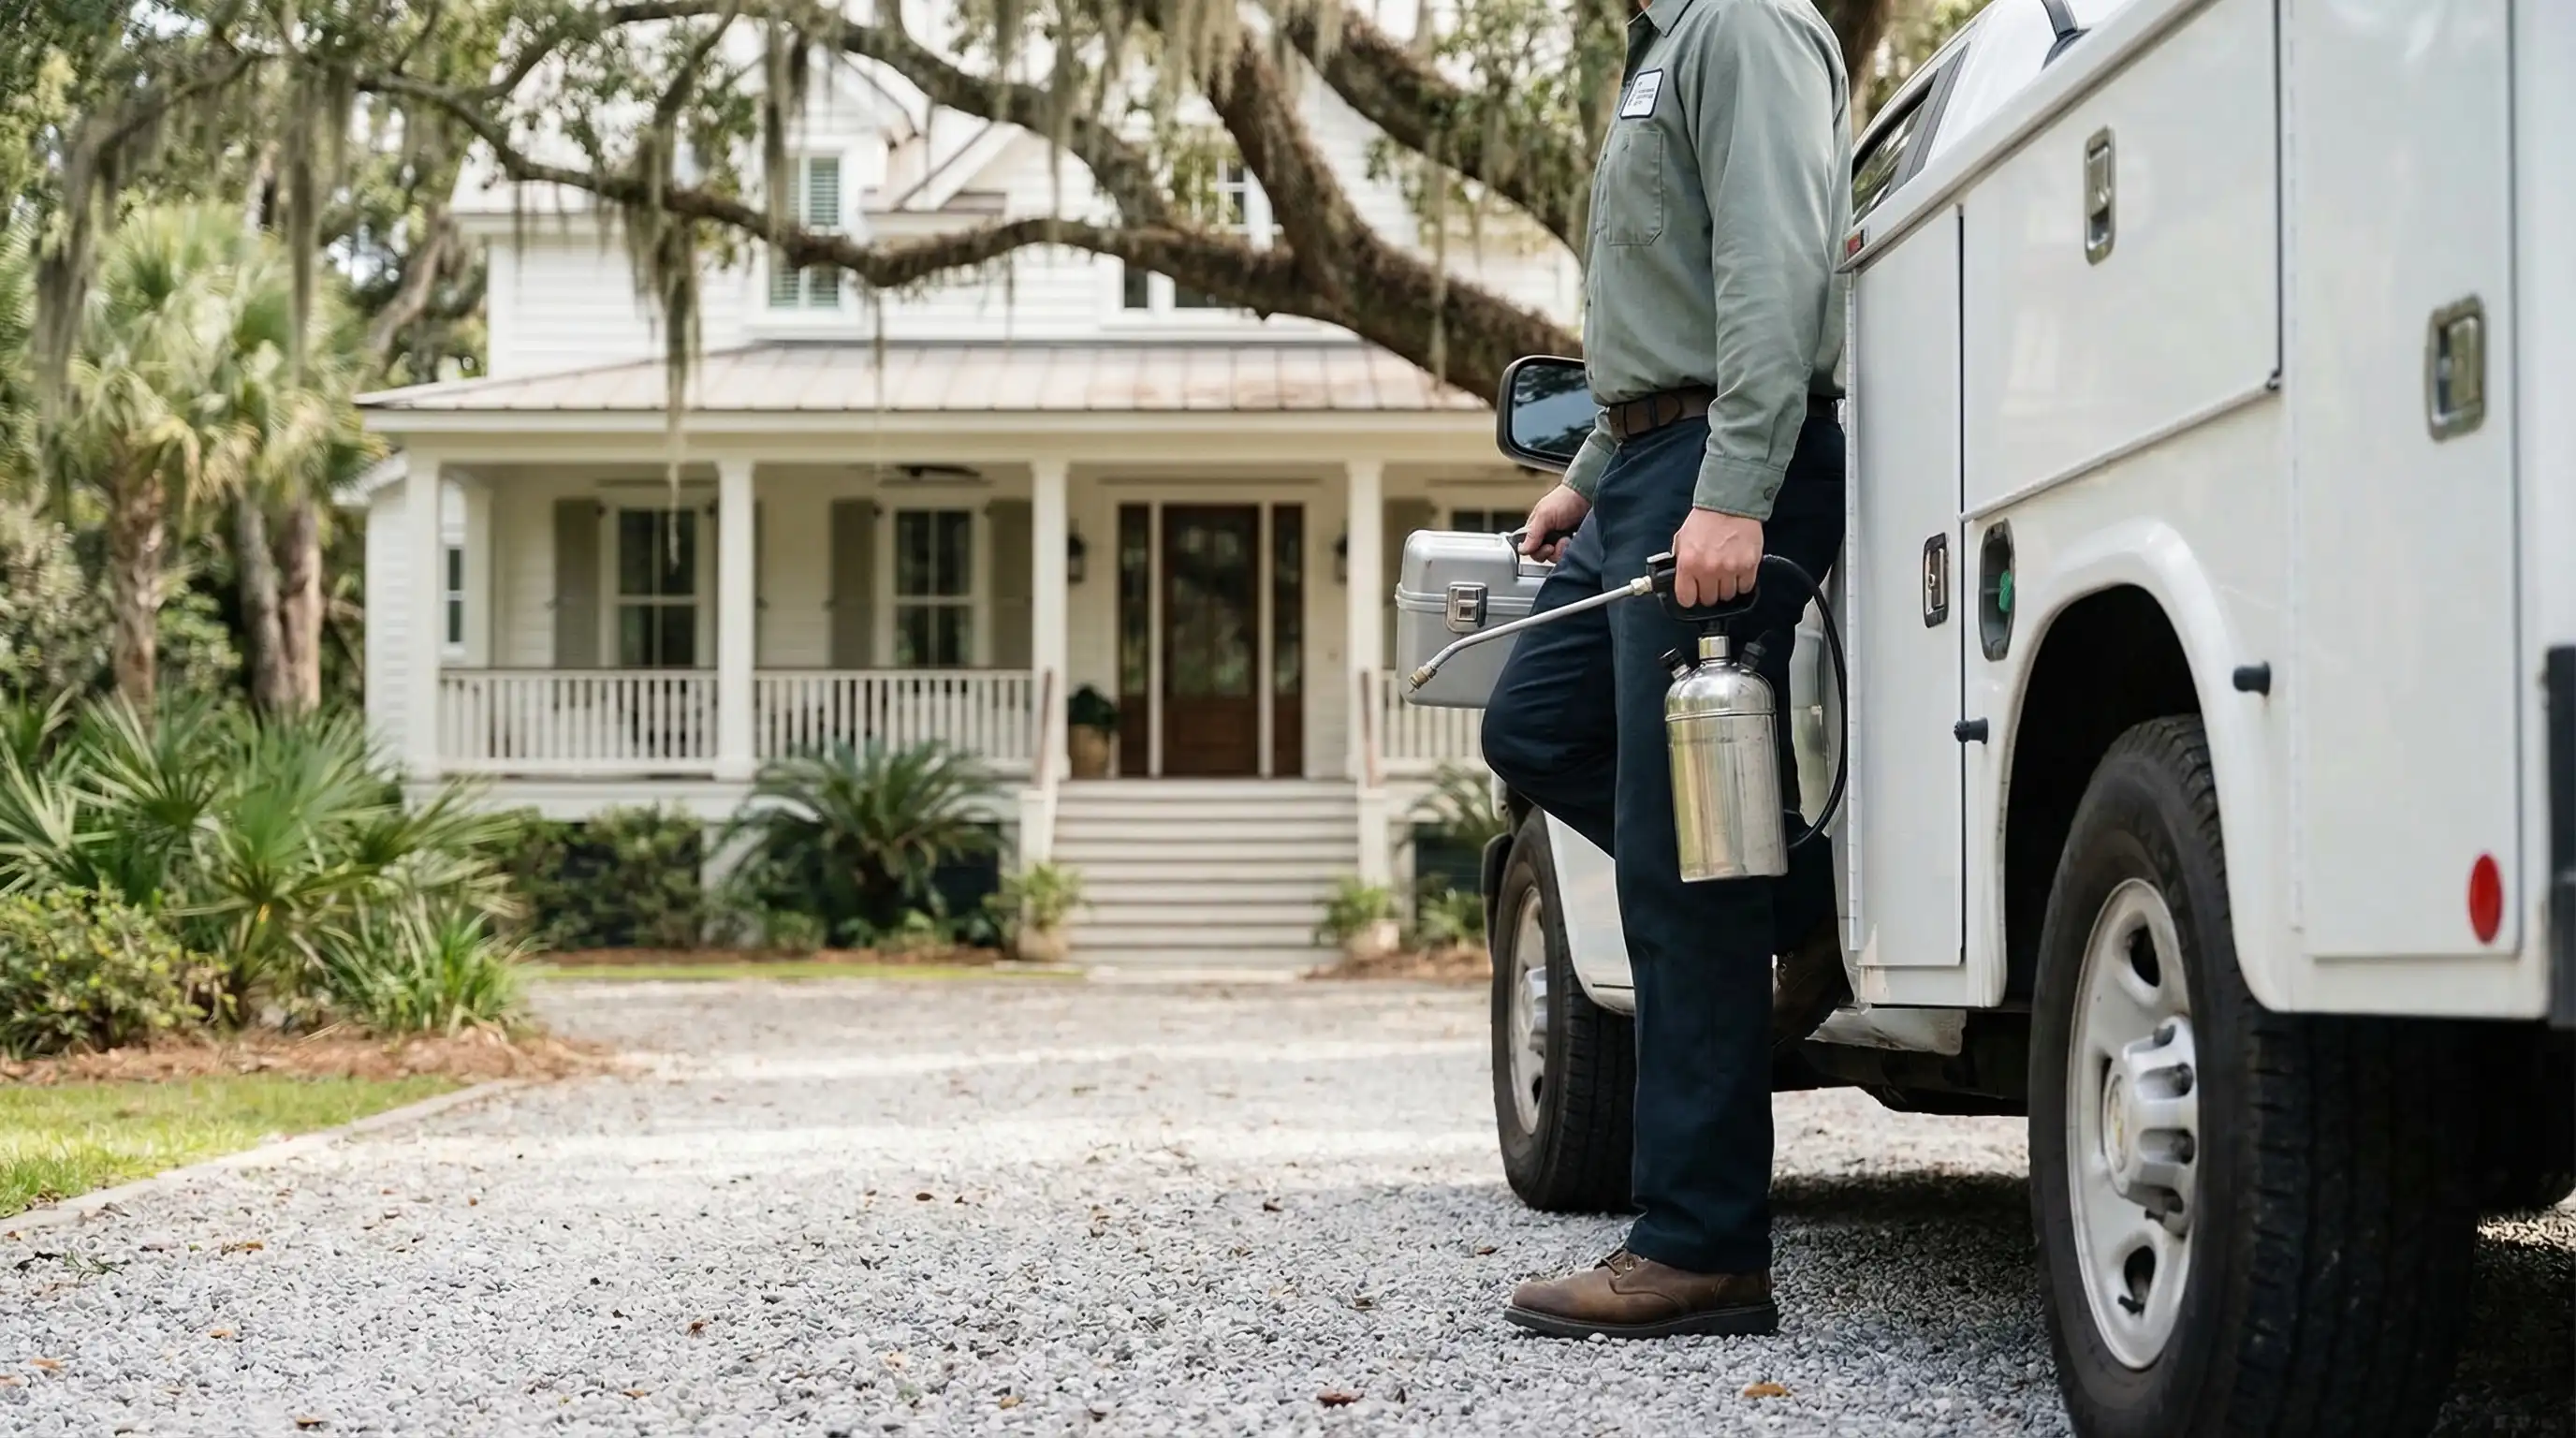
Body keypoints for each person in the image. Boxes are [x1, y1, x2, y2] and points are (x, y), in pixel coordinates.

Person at [1478, 0, 1852, 1341]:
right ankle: (1808, 904)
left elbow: (1774, 265)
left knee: (1686, 863)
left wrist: (1739, 486)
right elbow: (1664, 290)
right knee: (1534, 726)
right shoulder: (1663, 44)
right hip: (1640, 467)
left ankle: (1700, 1246)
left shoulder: (1743, 24)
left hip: (1717, 464)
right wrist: (1586, 474)